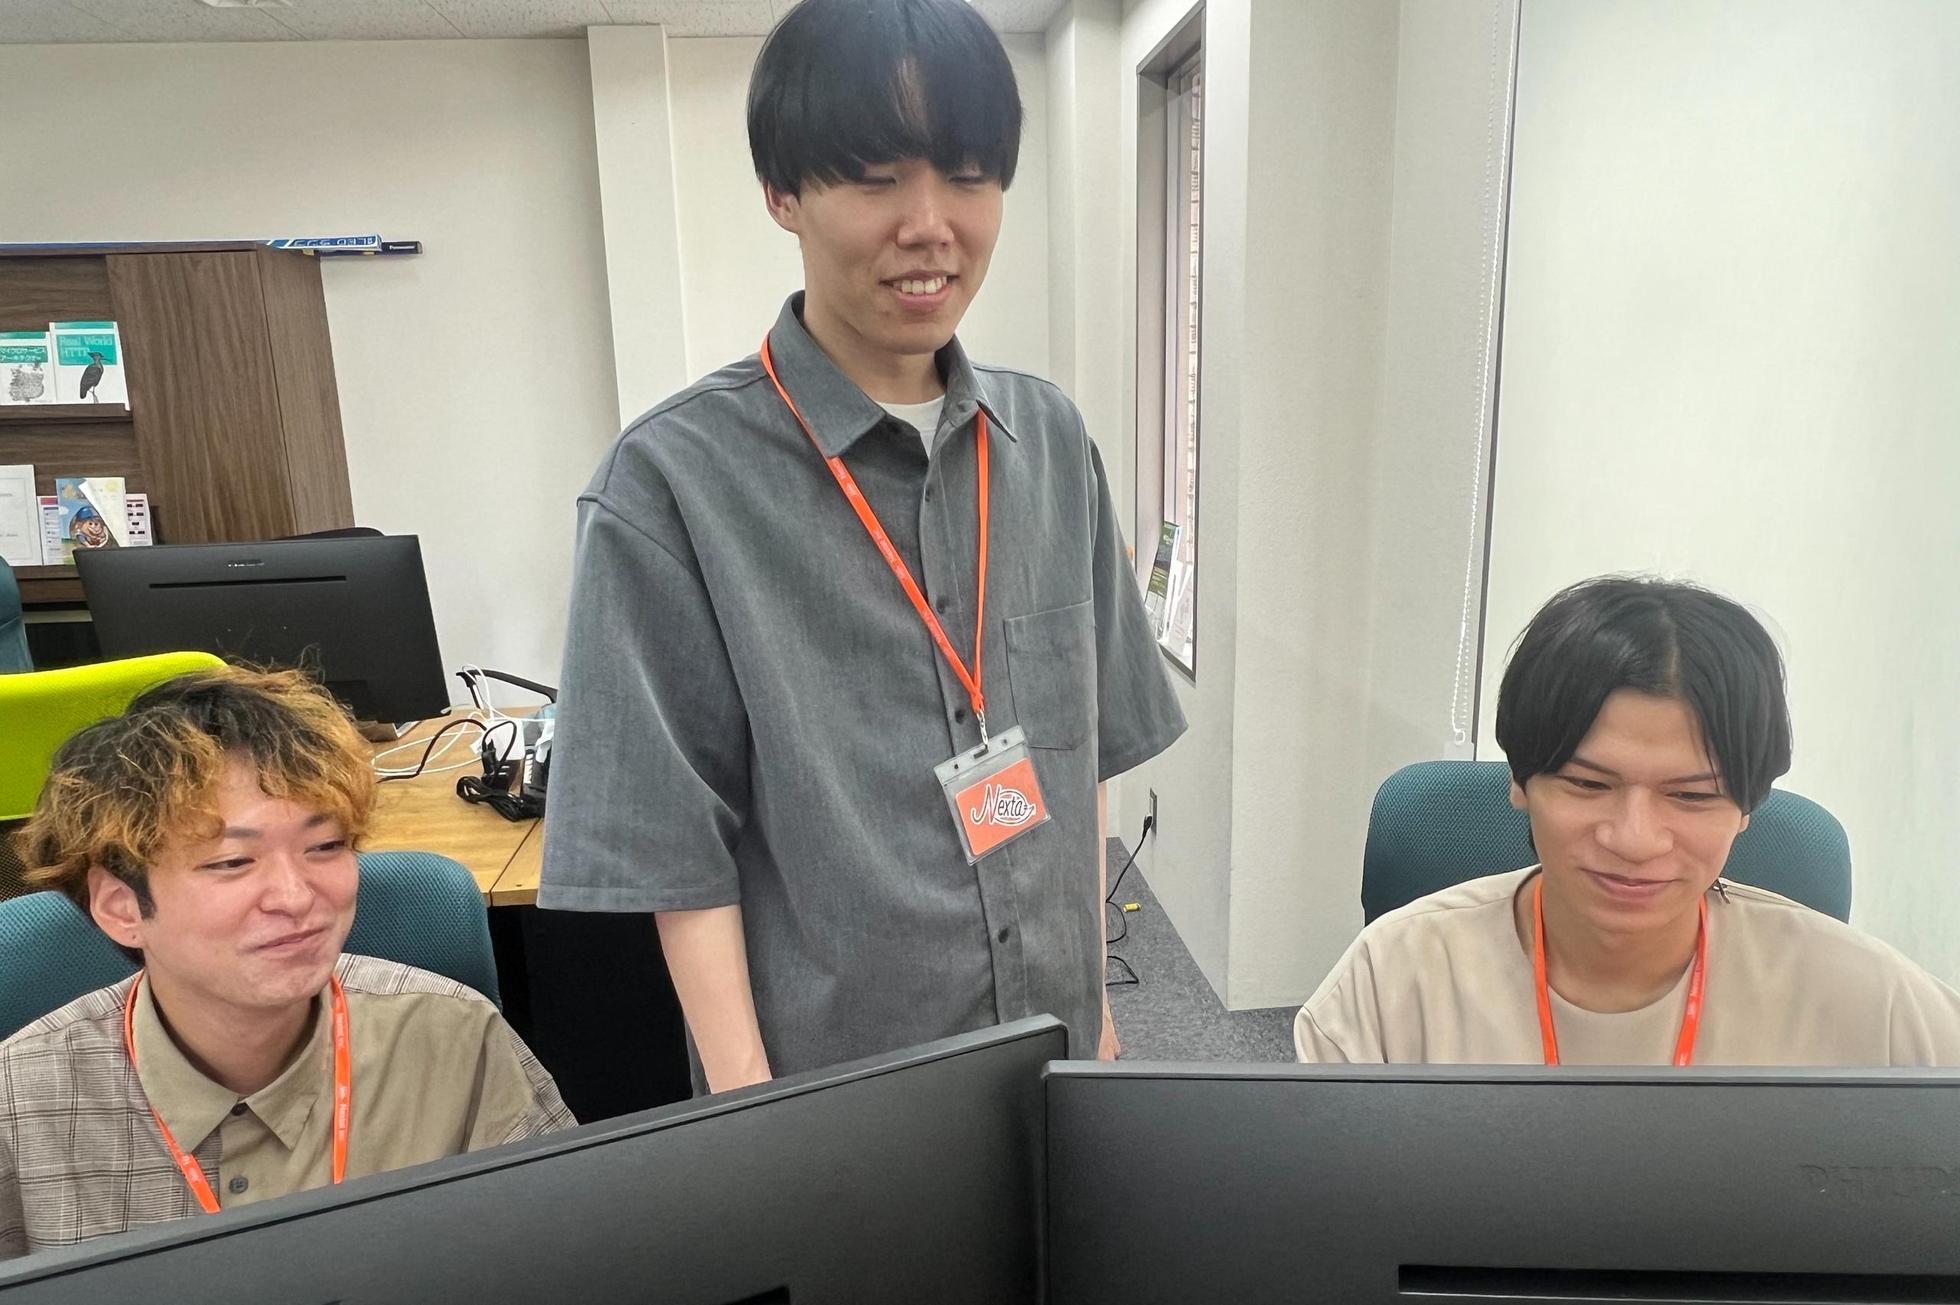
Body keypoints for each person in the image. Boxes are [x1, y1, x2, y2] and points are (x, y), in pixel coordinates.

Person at [540, 0, 1186, 1092]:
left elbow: (1079, 755)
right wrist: (751, 1106)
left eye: (968, 175)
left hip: (1058, 1055)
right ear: (783, 193)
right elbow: (675, 851)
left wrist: (1097, 1010)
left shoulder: (1049, 443)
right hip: (838, 1094)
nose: (929, 225)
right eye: (876, 178)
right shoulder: (670, 485)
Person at [0, 666, 575, 1260]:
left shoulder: (452, 1038)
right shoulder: (19, 1099)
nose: (296, 898)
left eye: (326, 847)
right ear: (121, 906)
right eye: (232, 862)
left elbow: (565, 1263)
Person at [1296, 575, 1960, 1066]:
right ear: (1521, 780)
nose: (1634, 839)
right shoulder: (1394, 983)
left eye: (1692, 796)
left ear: (1747, 806)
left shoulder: (1867, 1000)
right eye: (1588, 784)